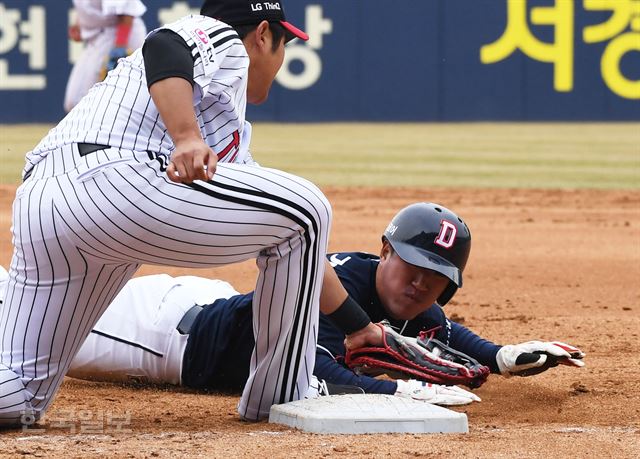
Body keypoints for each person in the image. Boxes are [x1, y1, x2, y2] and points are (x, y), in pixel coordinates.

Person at [0, 0, 381, 428]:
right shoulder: (224, 39)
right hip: (111, 183)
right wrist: (185, 137)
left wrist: (360, 326)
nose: (281, 56)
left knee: (20, 394)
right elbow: (164, 45)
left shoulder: (227, 126)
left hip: (46, 204)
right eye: (283, 42)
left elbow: (296, 243)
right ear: (262, 34)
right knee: (309, 207)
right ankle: (279, 399)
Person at [63, 203, 584, 406]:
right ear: (385, 250)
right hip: (163, 339)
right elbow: (309, 373)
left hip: (208, 303)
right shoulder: (345, 287)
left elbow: (443, 332)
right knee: (30, 327)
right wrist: (399, 389)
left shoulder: (402, 297)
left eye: (436, 277)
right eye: (413, 266)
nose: (421, 284)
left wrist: (502, 356)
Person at [65, 0, 148, 112]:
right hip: (100, 35)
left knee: (82, 101)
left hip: (119, 35)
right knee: (74, 100)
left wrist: (119, 48)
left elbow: (127, 11)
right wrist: (80, 24)